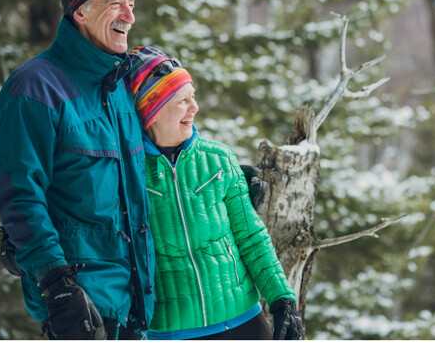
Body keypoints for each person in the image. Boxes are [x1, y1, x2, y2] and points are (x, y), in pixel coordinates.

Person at [0, 0, 155, 339]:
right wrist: (57, 284)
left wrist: (226, 180)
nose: (129, 16)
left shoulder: (121, 87)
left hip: (137, 307)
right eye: (116, 3)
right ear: (80, 11)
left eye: (131, 3)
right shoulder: (34, 88)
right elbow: (20, 196)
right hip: (81, 309)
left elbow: (155, 162)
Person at [126, 46, 304, 340]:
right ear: (151, 110)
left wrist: (282, 300)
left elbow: (251, 238)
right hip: (170, 332)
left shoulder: (218, 159)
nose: (194, 107)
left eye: (192, 96)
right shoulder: (127, 172)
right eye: (182, 100)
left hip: (242, 322)